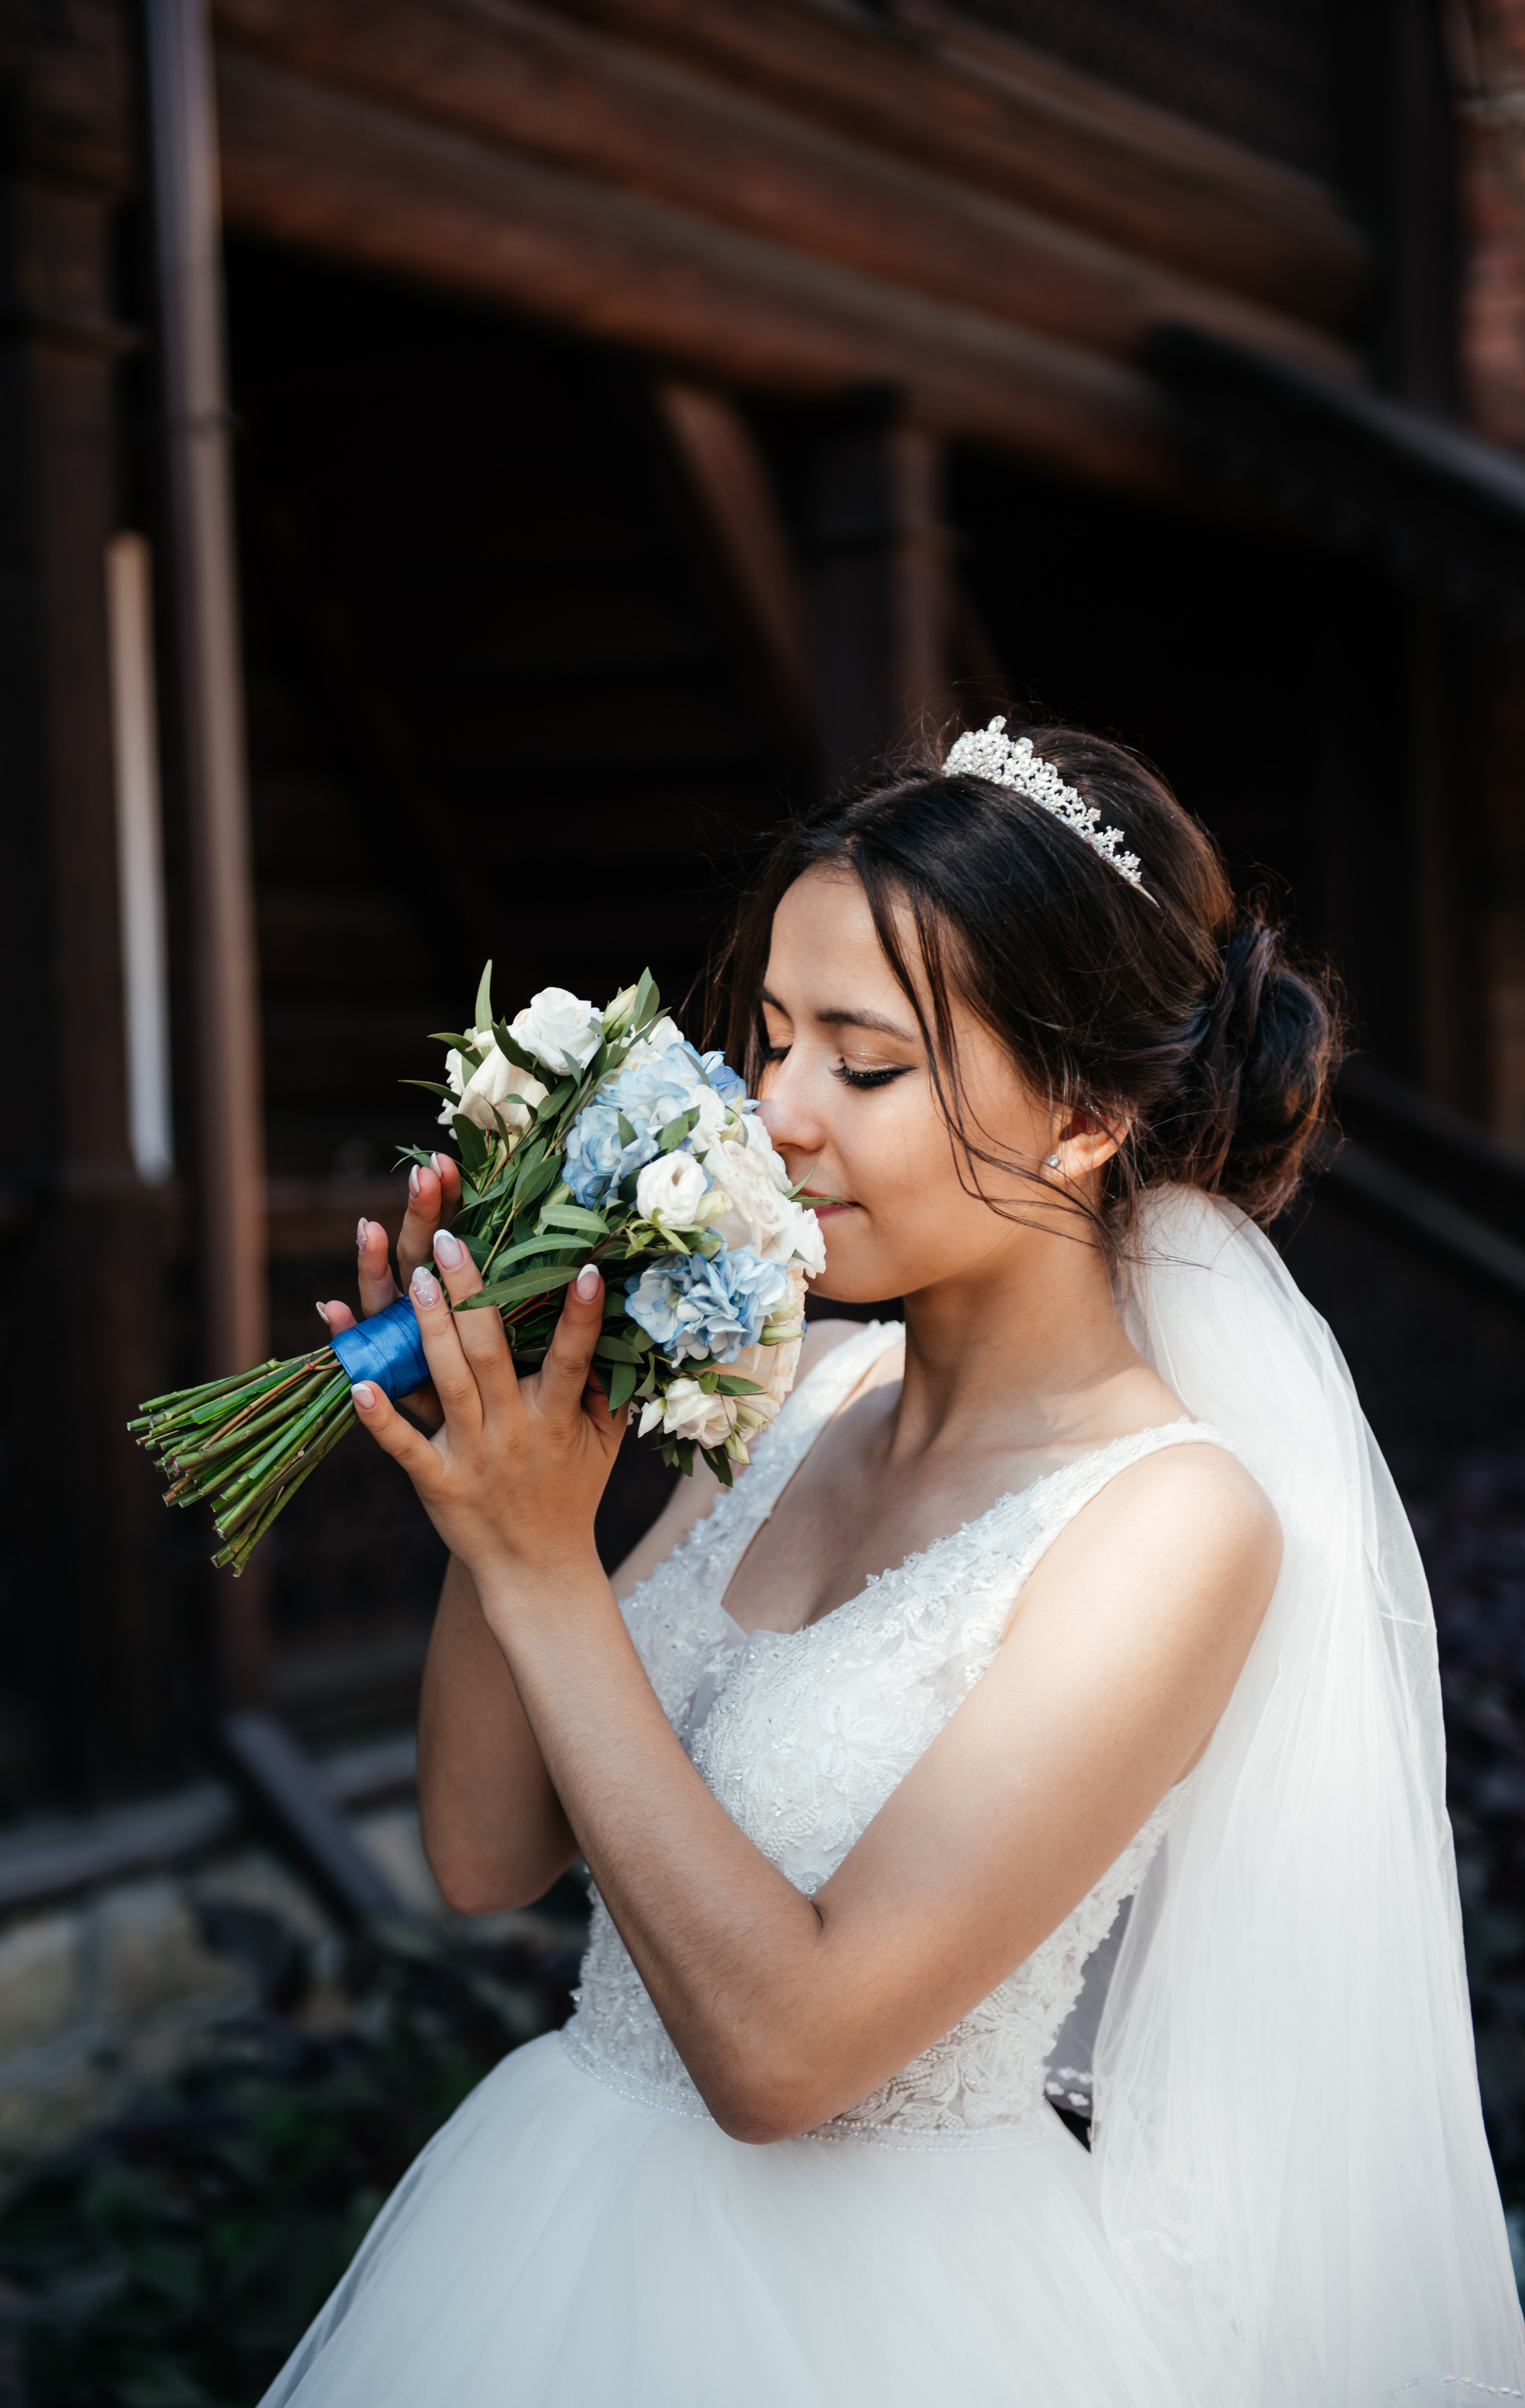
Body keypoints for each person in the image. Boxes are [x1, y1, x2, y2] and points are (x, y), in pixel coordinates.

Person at [270, 723, 1525, 2406]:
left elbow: (786, 2050)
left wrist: (548, 1571)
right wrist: (500, 1488)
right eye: (771, 1039)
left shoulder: (1173, 1523)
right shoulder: (791, 1394)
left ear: (1084, 1115)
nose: (772, 1113)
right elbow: (487, 1851)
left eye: (861, 1065)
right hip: (559, 2232)